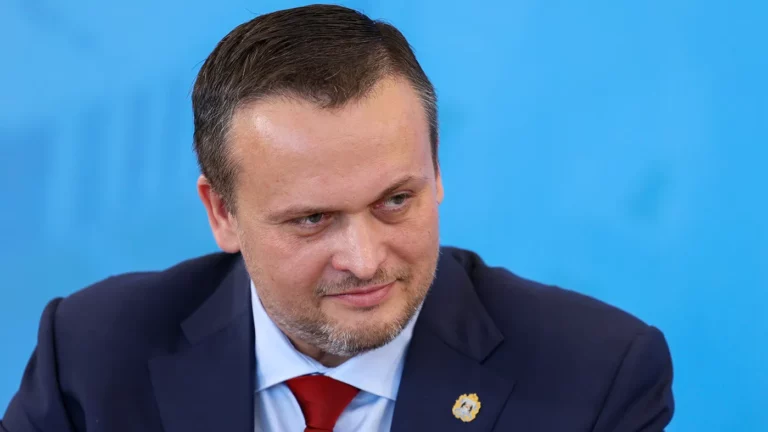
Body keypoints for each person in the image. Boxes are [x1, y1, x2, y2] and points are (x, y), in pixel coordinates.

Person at [1, 4, 674, 432]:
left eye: (395, 201)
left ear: (437, 174)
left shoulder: (596, 375)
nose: (366, 258)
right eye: (313, 219)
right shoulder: (92, 353)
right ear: (222, 213)